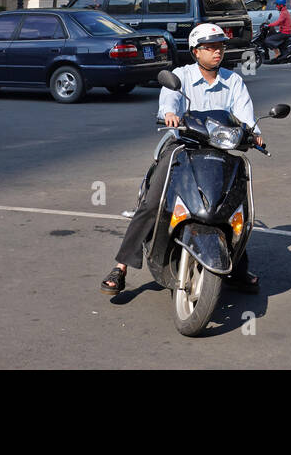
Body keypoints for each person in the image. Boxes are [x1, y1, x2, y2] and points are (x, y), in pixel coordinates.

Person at [99, 23, 264, 296]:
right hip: (182, 147)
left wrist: (254, 133)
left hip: (219, 150)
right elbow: (169, 102)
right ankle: (121, 267)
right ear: (196, 51)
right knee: (154, 203)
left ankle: (237, 266)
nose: (216, 52)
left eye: (220, 46)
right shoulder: (181, 76)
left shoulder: (233, 81)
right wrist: (170, 115)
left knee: (236, 206)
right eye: (210, 47)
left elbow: (246, 117)